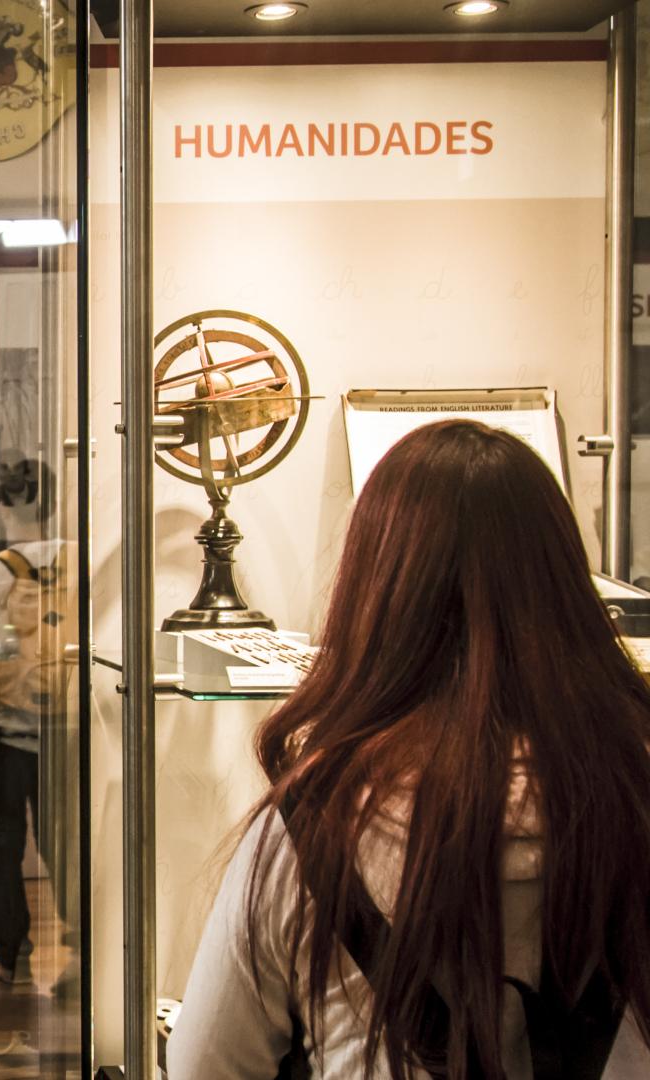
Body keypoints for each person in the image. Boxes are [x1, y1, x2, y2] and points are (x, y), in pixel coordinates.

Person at [169, 420, 650, 1077]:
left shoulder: (314, 824)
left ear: (378, 593)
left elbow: (208, 1064)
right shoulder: (635, 795)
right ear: (563, 585)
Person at [0, 460, 79, 996]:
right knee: (67, 844)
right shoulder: (78, 563)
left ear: (5, 505)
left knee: (1, 846)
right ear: (54, 503)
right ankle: (82, 951)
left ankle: (9, 956)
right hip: (67, 732)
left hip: (3, 735)